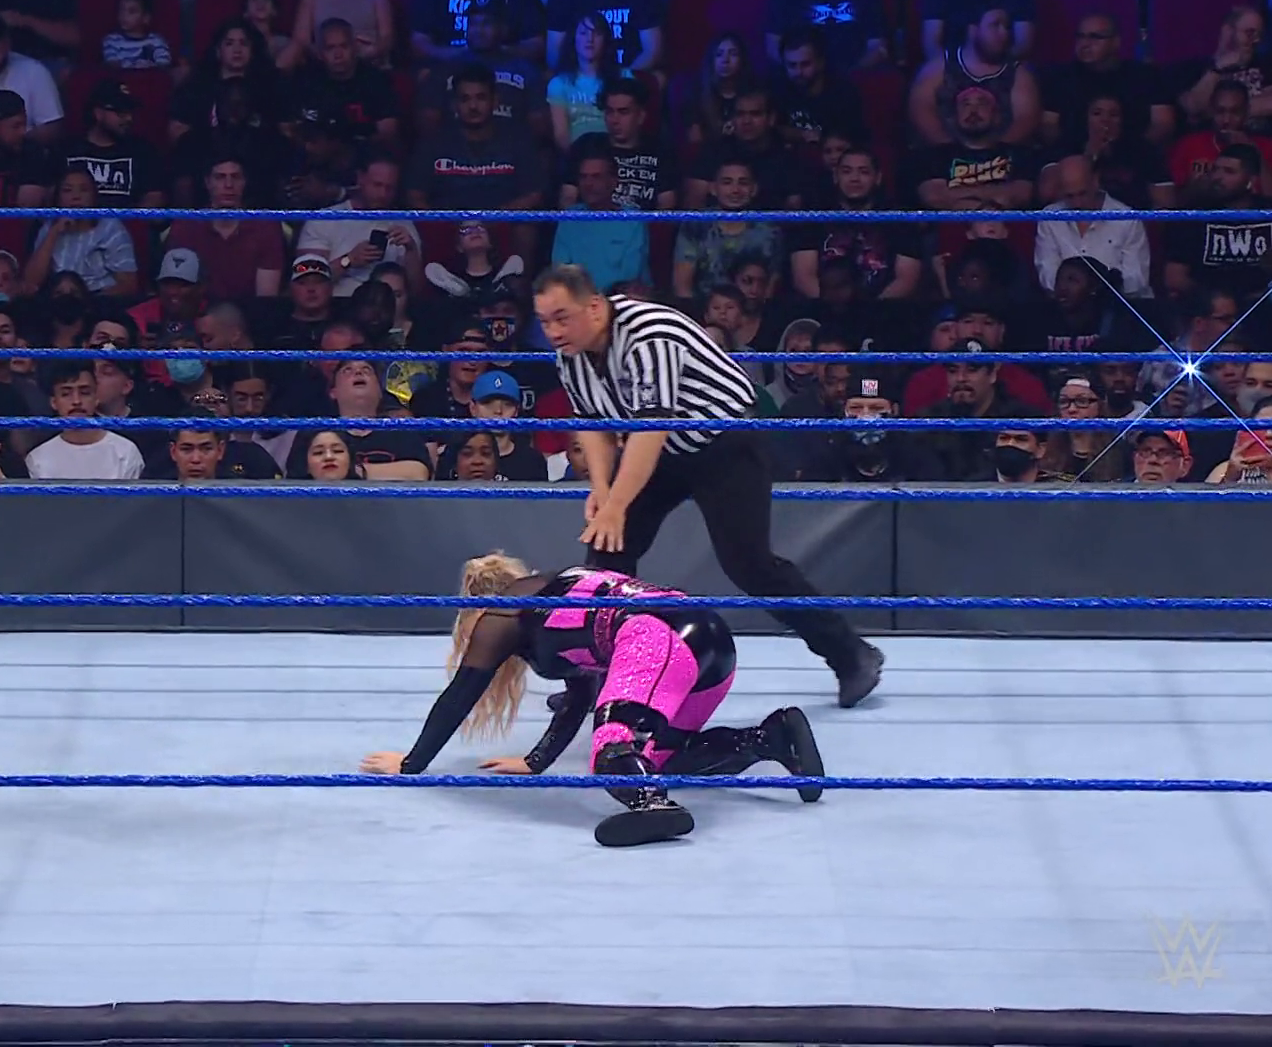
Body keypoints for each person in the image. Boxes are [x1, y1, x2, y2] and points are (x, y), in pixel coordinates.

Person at [534, 264, 883, 708]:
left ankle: (850, 655)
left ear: (595, 308)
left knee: (750, 565)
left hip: (724, 441)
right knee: (606, 554)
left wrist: (617, 505)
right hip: (663, 451)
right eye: (545, 321)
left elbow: (651, 429)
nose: (553, 331)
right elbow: (593, 425)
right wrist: (603, 494)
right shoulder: (571, 353)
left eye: (562, 317)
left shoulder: (648, 334)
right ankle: (593, 683)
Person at [360, 554, 824, 848]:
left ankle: (652, 805)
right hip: (709, 638)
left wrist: (411, 765)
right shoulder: (559, 595)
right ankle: (771, 737)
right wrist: (536, 762)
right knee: (662, 758)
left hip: (657, 635)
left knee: (612, 749)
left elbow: (461, 694)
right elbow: (580, 694)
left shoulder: (506, 613)